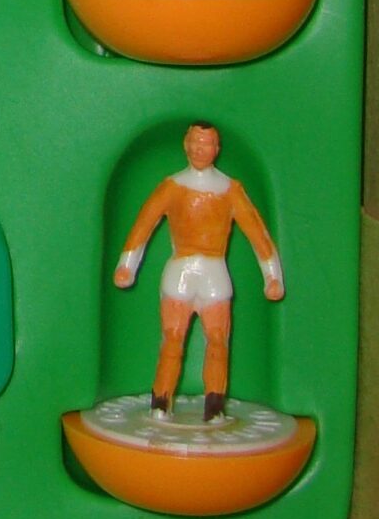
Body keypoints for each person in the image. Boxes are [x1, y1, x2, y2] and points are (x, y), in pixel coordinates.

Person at [112, 121, 283, 420]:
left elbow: (257, 232)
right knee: (172, 337)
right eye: (195, 142)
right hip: (180, 273)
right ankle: (160, 402)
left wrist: (272, 276)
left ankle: (214, 406)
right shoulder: (172, 186)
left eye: (206, 144)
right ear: (186, 145)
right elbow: (144, 223)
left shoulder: (230, 189)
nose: (199, 149)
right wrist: (126, 265)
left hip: (214, 275)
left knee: (218, 340)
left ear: (217, 149)